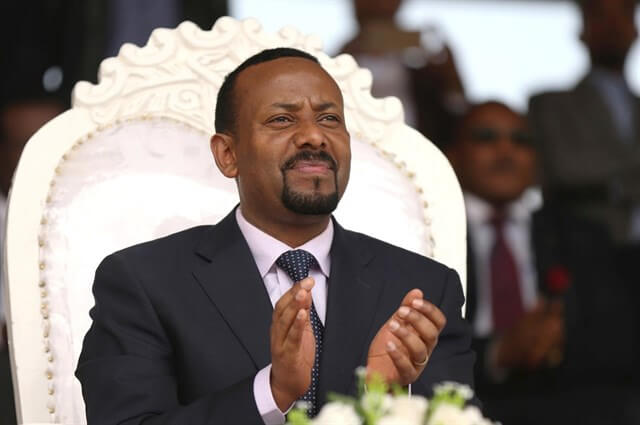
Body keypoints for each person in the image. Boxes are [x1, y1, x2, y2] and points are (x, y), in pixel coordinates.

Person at [76, 48, 474, 425]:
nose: (314, 136)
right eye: (282, 120)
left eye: (329, 119)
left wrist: (384, 398)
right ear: (228, 154)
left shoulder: (421, 290)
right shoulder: (143, 282)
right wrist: (271, 392)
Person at [446, 101, 638, 425]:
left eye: (521, 141)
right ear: (452, 155)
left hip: (568, 399)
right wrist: (497, 352)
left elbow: (620, 342)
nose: (506, 151)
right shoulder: (426, 231)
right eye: (486, 137)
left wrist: (555, 342)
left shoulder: (581, 235)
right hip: (467, 400)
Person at [528, 0, 640, 245]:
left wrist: (613, 184)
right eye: (601, 15)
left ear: (635, 29)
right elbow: (565, 170)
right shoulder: (550, 105)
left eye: (624, 15)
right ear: (582, 30)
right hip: (582, 247)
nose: (613, 26)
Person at [339, 0, 467, 148]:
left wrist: (449, 75)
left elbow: (456, 110)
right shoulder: (338, 62)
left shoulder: (424, 68)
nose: (377, 4)